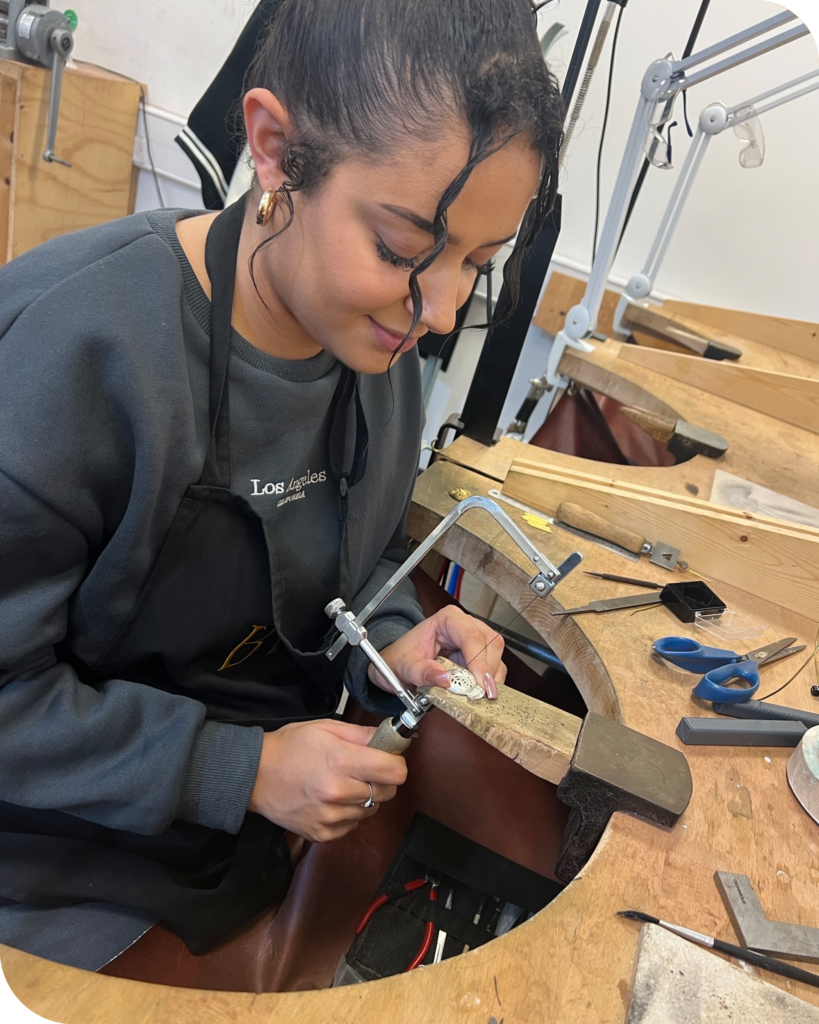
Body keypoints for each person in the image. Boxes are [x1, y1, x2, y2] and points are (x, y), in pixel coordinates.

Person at [0, 0, 563, 971]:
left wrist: (395, 646)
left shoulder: (378, 351)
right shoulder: (70, 353)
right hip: (57, 849)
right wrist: (238, 767)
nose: (438, 311)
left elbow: (363, 543)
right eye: (401, 250)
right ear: (274, 148)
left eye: (479, 262)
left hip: (261, 827)